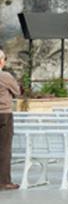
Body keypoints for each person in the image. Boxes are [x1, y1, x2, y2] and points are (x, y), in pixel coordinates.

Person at [0, 50, 21, 190]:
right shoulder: (5, 76)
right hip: (4, 114)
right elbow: (17, 91)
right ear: (1, 61)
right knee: (4, 148)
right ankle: (4, 181)